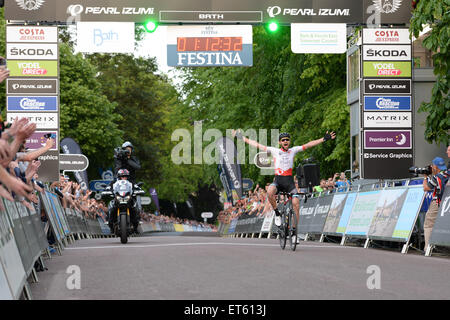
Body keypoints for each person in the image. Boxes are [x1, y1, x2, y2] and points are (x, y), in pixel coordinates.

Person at [233, 130, 336, 242]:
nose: (285, 141)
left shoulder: (293, 150)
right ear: (280, 142)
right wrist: (241, 138)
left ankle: (294, 233)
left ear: (289, 141)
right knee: (270, 192)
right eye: (283, 140)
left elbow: (309, 144)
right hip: (278, 181)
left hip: (289, 182)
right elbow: (257, 144)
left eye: (287, 139)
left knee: (296, 204)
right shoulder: (274, 151)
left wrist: (324, 139)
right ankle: (277, 213)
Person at [423, 157, 449, 251]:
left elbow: (426, 188)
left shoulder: (437, 177)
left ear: (435, 166)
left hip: (438, 202)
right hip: (447, 203)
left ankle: (428, 248)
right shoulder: (448, 173)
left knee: (429, 223)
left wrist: (425, 177)